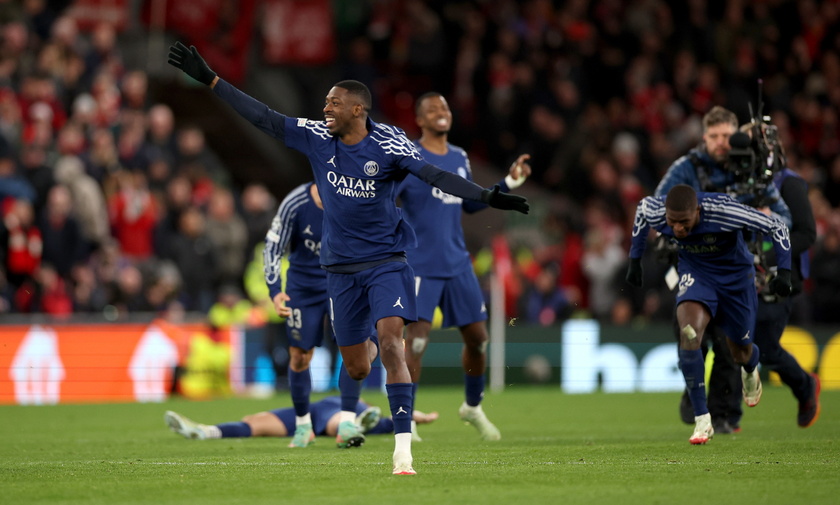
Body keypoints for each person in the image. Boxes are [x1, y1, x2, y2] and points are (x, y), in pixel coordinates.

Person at [167, 42, 529, 476]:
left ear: (358, 110)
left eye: (334, 103)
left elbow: (434, 174)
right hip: (340, 271)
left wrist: (489, 194)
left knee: (394, 342)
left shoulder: (390, 143)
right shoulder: (318, 137)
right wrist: (211, 79)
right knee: (357, 366)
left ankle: (402, 454)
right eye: (325, 103)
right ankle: (371, 354)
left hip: (387, 262)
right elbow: (264, 117)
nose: (326, 109)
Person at [397, 92, 530, 442]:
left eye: (445, 107)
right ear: (420, 120)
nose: (442, 112)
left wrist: (509, 184)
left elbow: (470, 204)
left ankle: (473, 406)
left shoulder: (458, 157)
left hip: (457, 264)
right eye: (432, 109)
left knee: (479, 340)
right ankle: (406, 419)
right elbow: (389, 200)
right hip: (421, 265)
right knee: (417, 343)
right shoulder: (408, 158)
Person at [655, 106, 793, 434]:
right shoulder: (686, 168)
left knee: (731, 343)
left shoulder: (751, 169)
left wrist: (764, 215)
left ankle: (721, 415)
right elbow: (661, 204)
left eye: (726, 136)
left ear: (737, 135)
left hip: (736, 265)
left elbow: (784, 218)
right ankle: (697, 397)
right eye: (714, 136)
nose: (721, 142)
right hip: (692, 261)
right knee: (690, 334)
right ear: (704, 137)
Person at [626, 184, 792, 445]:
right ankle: (703, 419)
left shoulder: (724, 211)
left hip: (736, 279)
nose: (678, 228)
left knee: (740, 351)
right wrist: (635, 259)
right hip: (697, 274)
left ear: (698, 211)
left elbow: (777, 226)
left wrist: (784, 272)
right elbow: (641, 212)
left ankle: (750, 365)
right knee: (689, 334)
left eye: (684, 222)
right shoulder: (657, 211)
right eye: (673, 222)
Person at [264, 182, 367, 449]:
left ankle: (346, 422)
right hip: (303, 289)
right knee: (299, 356)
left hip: (342, 284)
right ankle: (303, 426)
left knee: (352, 350)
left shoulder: (352, 197)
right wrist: (275, 290)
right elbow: (273, 246)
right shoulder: (295, 203)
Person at [752, 141, 820, 428]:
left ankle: (805, 386)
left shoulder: (789, 184)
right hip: (743, 276)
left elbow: (806, 234)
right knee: (728, 339)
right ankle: (723, 415)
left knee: (765, 348)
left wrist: (769, 253)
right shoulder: (736, 186)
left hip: (780, 277)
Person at [164, 396, 439, 441]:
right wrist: (421, 417)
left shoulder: (370, 411)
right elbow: (399, 414)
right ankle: (204, 431)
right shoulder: (370, 408)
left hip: (326, 412)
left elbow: (398, 416)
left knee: (336, 425)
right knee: (254, 420)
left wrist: (420, 417)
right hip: (320, 409)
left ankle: (356, 426)